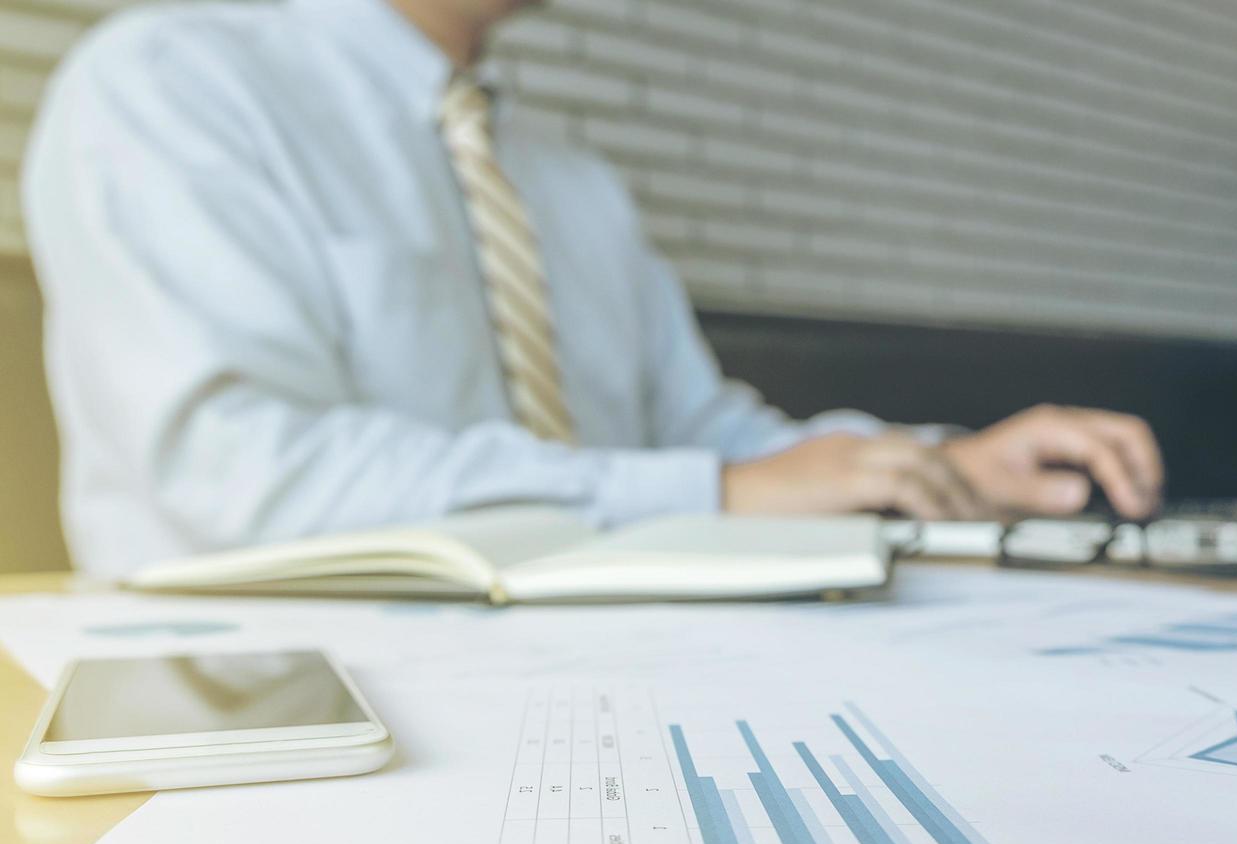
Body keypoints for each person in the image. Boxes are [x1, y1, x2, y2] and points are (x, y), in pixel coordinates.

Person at [24, 0, 1164, 576]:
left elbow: (711, 439)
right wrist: (713, 491)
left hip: (611, 677)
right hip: (280, 713)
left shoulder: (567, 183)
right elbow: (241, 473)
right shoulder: (172, 83)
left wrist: (936, 465)